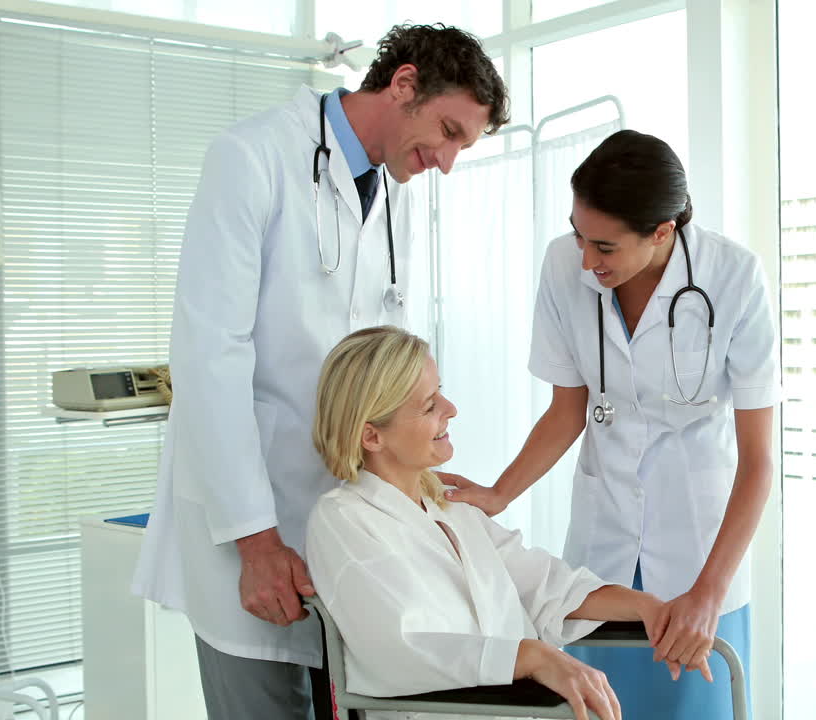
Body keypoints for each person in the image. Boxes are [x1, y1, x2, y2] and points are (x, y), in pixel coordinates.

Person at [131, 24, 509, 720]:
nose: (448, 162)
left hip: (348, 524)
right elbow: (209, 359)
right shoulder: (251, 158)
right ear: (403, 84)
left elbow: (379, 365)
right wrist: (255, 538)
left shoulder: (392, 189)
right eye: (448, 131)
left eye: (463, 146)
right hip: (253, 513)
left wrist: (413, 485)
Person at [446, 129, 779, 720]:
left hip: (700, 556)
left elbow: (758, 462)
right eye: (578, 235)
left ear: (662, 232)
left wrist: (708, 594)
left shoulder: (734, 278)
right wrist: (497, 495)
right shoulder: (563, 266)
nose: (585, 260)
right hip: (603, 556)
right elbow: (567, 409)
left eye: (604, 247)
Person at [306, 325, 708, 720]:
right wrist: (533, 655)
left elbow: (546, 585)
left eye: (441, 392)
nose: (451, 410)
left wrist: (653, 609)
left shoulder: (451, 508)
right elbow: (398, 649)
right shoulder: (343, 521)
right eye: (429, 405)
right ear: (372, 437)